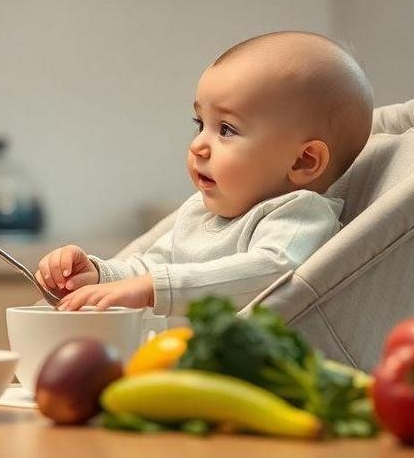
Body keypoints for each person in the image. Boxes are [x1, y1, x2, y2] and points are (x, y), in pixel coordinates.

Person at [38, 31, 374, 314]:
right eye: (201, 124)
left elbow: (272, 271)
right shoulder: (199, 214)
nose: (198, 145)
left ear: (303, 161)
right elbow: (149, 268)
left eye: (226, 129)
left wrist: (155, 289)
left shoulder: (300, 213)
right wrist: (99, 274)